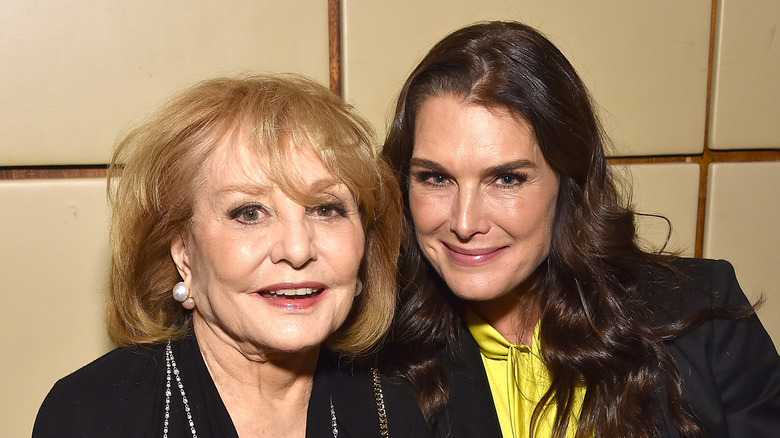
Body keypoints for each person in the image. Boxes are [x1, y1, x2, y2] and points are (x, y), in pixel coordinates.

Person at [379, 20, 780, 438]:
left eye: (507, 179)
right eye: (436, 178)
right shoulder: (375, 363)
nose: (464, 223)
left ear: (568, 179)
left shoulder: (703, 321)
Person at [33, 74, 428, 437]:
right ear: (183, 252)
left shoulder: (395, 412)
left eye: (326, 209)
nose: (297, 249)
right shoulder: (93, 415)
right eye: (250, 213)